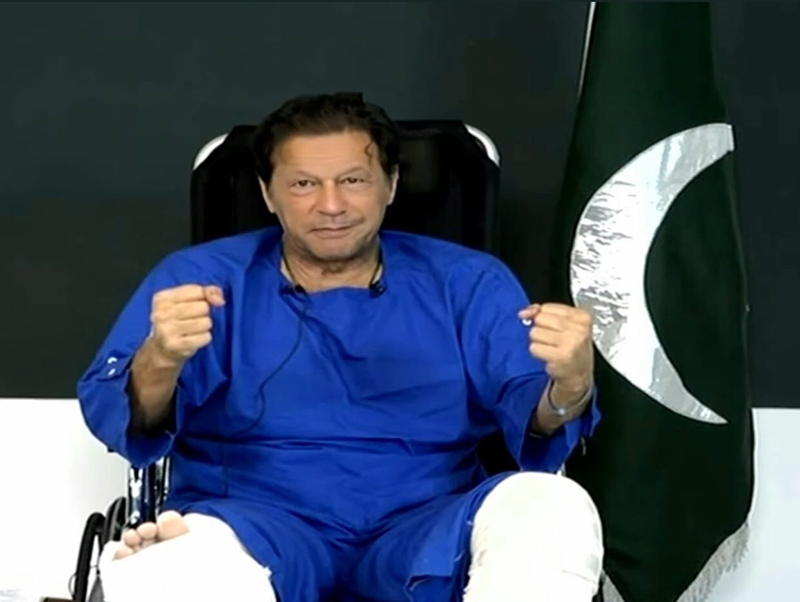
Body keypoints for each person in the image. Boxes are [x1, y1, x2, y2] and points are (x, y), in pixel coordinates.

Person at [78, 94, 603, 602]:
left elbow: (537, 418)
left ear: (390, 185)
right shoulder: (200, 278)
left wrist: (572, 384)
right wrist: (161, 358)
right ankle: (174, 563)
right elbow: (124, 419)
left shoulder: (467, 281)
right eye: (304, 184)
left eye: (353, 180)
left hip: (427, 528)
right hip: (255, 523)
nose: (331, 205)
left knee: (551, 506)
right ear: (268, 194)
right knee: (180, 565)